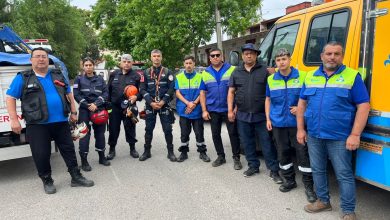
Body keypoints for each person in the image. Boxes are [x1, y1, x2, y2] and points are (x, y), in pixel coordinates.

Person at [297, 42, 370, 220]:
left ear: (342, 56)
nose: (332, 57)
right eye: (328, 53)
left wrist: (355, 134)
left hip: (339, 136)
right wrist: (300, 129)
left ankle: (347, 211)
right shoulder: (310, 76)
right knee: (318, 169)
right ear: (322, 56)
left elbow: (364, 106)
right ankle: (323, 201)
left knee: (343, 174)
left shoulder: (352, 76)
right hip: (314, 134)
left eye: (336, 54)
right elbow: (302, 103)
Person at [6, 47, 94, 194]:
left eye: (44, 56)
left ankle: (76, 177)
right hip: (37, 124)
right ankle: (47, 180)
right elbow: (10, 98)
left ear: (48, 59)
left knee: (69, 151)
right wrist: (14, 120)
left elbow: (69, 94)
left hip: (60, 122)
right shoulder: (23, 77)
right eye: (38, 56)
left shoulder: (57, 75)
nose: (41, 59)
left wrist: (73, 111)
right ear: (31, 60)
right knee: (41, 154)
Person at [265, 48, 316, 202]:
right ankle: (289, 181)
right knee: (282, 152)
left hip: (297, 124)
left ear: (290, 60)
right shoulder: (271, 79)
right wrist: (268, 119)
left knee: (303, 154)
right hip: (278, 123)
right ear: (276, 62)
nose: (281, 62)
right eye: (278, 60)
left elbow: (311, 98)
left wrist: (302, 108)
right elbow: (268, 99)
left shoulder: (303, 76)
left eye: (284, 59)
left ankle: (309, 186)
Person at [227, 43, 282, 183]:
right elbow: (231, 92)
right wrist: (230, 110)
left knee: (267, 143)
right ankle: (253, 166)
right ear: (243, 55)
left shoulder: (265, 70)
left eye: (252, 53)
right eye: (246, 53)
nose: (249, 55)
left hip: (262, 115)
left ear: (256, 55)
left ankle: (274, 170)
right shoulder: (236, 72)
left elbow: (276, 87)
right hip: (243, 114)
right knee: (247, 142)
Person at [199, 48, 242, 170]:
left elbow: (239, 90)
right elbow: (202, 93)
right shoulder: (205, 73)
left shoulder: (232, 69)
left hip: (229, 108)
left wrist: (236, 107)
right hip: (213, 109)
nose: (215, 57)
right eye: (212, 56)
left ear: (222, 56)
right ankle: (221, 156)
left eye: (218, 55)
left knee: (233, 134)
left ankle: (236, 158)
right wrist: (204, 110)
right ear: (210, 58)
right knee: (215, 134)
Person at [139, 49, 177, 162]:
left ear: (161, 57)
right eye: (154, 56)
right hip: (150, 105)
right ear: (151, 58)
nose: (156, 58)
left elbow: (171, 89)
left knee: (168, 130)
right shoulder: (145, 73)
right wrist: (151, 102)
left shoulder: (168, 72)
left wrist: (163, 101)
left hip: (164, 105)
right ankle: (147, 151)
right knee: (148, 129)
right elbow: (142, 89)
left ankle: (170, 152)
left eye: (158, 56)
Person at [73, 57, 110, 171]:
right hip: (85, 110)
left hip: (99, 110)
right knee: (84, 135)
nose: (88, 67)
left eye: (90, 65)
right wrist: (88, 105)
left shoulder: (100, 79)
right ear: (83, 66)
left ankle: (101, 157)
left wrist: (96, 103)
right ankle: (84, 161)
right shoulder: (78, 79)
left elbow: (105, 93)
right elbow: (76, 94)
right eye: (86, 65)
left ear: (94, 66)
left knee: (100, 134)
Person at [106, 54, 142, 160]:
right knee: (113, 129)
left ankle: (132, 148)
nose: (126, 64)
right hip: (115, 107)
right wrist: (107, 105)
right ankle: (112, 150)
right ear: (121, 63)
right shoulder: (113, 74)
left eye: (128, 62)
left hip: (129, 107)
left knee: (130, 127)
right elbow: (108, 90)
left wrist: (136, 96)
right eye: (124, 61)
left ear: (132, 63)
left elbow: (141, 92)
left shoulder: (136, 76)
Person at [175, 55, 210, 162]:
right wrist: (188, 103)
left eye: (190, 63)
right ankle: (184, 152)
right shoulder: (179, 77)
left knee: (199, 132)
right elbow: (177, 93)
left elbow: (202, 92)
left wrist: (194, 103)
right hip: (184, 110)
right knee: (184, 133)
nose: (188, 65)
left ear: (194, 64)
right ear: (184, 64)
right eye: (186, 63)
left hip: (197, 110)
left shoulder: (201, 76)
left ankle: (202, 152)